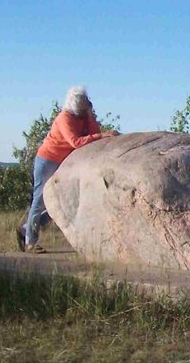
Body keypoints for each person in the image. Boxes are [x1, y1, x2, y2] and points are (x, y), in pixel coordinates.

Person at [18, 86, 119, 253]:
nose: (85, 106)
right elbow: (75, 142)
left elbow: (95, 133)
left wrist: (90, 116)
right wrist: (101, 136)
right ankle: (30, 242)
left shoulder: (83, 116)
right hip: (48, 160)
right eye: (82, 105)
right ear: (75, 105)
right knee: (40, 200)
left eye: (86, 104)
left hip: (66, 162)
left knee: (61, 204)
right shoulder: (64, 118)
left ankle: (25, 228)